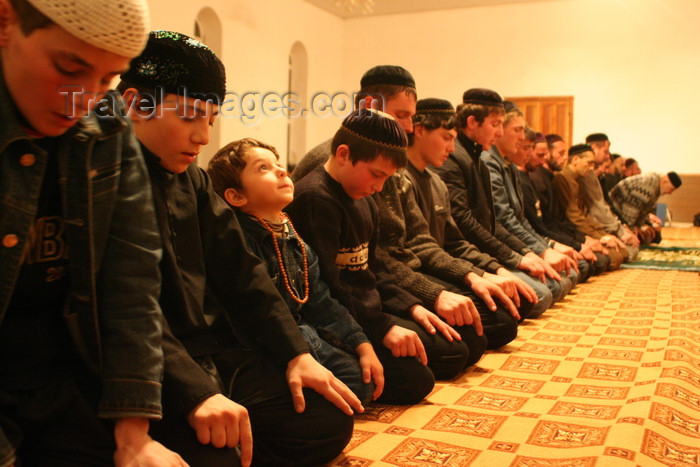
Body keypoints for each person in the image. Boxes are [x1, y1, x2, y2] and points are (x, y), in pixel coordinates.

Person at [118, 31, 362, 467]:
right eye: (191, 116)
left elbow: (242, 271)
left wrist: (295, 353)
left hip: (210, 353)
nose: (202, 136)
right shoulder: (107, 173)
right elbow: (127, 309)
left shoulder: (190, 179)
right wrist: (196, 391)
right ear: (136, 104)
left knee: (325, 418)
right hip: (146, 367)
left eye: (210, 120)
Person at [0, 0, 189, 465]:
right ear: (5, 21)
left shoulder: (105, 122)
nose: (84, 98)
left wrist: (135, 432)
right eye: (70, 67)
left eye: (108, 79)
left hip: (60, 372)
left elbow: (131, 275)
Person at [208, 137, 383, 405]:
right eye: (263, 168)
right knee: (326, 402)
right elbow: (254, 317)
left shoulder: (293, 237)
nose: (281, 170)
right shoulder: (240, 241)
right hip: (269, 346)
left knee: (362, 382)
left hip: (307, 335)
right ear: (236, 195)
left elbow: (322, 302)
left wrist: (362, 344)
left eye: (278, 164)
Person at [286, 109, 436, 405]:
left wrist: (413, 306)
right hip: (343, 321)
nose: (379, 187)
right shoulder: (316, 198)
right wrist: (380, 330)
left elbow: (374, 268)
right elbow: (328, 288)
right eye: (376, 175)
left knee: (452, 344)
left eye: (387, 178)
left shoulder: (365, 198)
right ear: (343, 154)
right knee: (419, 378)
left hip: (370, 313)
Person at [377, 98, 537, 350]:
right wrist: (467, 279)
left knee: (520, 303)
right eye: (445, 138)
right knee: (489, 329)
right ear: (420, 131)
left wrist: (488, 271)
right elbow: (409, 253)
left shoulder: (437, 182)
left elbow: (454, 241)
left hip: (435, 266)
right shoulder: (394, 179)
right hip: (412, 275)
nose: (451, 148)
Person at [431, 88, 555, 318]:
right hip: (466, 256)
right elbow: (464, 225)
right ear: (471, 122)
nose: (498, 133)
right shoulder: (454, 159)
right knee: (539, 296)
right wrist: (506, 262)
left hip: (482, 252)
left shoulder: (477, 157)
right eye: (496, 124)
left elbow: (494, 222)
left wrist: (530, 252)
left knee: (547, 287)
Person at [480, 102, 579, 301]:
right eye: (517, 130)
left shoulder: (510, 166)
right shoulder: (488, 162)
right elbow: (503, 221)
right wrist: (539, 251)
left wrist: (544, 247)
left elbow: (522, 220)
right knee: (545, 292)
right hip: (499, 248)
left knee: (570, 273)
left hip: (518, 244)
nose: (522, 137)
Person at [291, 65, 417, 182]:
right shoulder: (332, 162)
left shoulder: (387, 160)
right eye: (401, 115)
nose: (410, 128)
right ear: (369, 106)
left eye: (412, 117)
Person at [551, 144, 627, 270]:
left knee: (623, 252)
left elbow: (586, 213)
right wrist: (600, 237)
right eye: (589, 163)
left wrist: (604, 233)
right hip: (572, 231)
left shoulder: (578, 178)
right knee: (614, 257)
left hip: (582, 229)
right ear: (575, 160)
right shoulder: (563, 178)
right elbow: (574, 217)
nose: (592, 168)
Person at [582, 133, 639, 258]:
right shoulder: (585, 174)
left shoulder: (593, 174)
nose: (608, 156)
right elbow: (595, 211)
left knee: (630, 247)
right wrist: (613, 234)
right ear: (594, 148)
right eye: (606, 151)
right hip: (585, 231)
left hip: (596, 227)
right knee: (625, 252)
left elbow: (606, 206)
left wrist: (621, 228)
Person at [609, 171, 682, 244]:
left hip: (624, 215)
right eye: (671, 189)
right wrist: (632, 229)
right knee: (637, 241)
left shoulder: (655, 185)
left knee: (653, 235)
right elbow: (630, 209)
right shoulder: (648, 186)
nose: (670, 193)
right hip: (613, 212)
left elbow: (643, 211)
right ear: (665, 182)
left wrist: (642, 226)